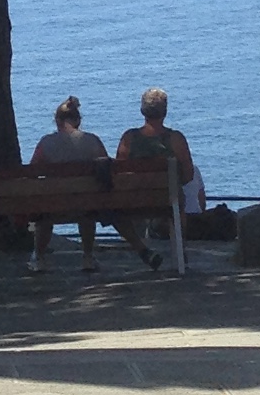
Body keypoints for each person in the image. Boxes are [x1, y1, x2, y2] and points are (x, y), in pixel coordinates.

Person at [25, 96, 117, 272]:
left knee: (44, 215)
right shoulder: (92, 141)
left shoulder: (46, 143)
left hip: (53, 205)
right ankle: (88, 257)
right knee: (87, 207)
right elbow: (107, 169)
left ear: (57, 120)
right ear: (79, 120)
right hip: (87, 204)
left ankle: (40, 257)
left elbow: (32, 173)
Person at [116, 88, 197, 269]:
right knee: (178, 200)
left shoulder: (128, 138)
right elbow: (188, 174)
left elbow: (119, 174)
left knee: (114, 211)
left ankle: (142, 249)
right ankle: (180, 250)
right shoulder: (176, 139)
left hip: (134, 200)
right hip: (168, 200)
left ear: (142, 110)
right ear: (165, 111)